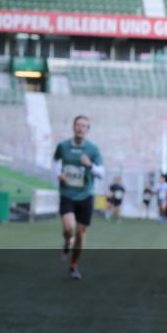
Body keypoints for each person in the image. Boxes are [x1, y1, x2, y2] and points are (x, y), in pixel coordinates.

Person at [53, 115, 104, 280]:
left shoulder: (93, 150)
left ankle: (73, 266)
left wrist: (90, 165)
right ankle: (67, 241)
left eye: (84, 126)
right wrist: (58, 174)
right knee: (69, 228)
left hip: (85, 196)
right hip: (67, 194)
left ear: (88, 130)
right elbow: (55, 162)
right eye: (78, 125)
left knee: (81, 235)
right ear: (73, 127)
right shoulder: (63, 146)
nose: (80, 128)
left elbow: (102, 173)